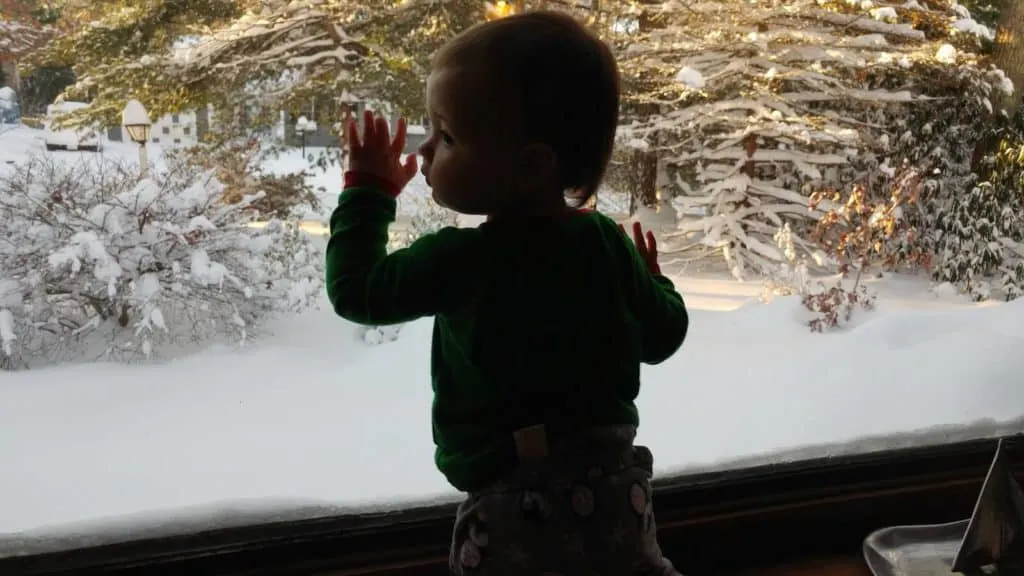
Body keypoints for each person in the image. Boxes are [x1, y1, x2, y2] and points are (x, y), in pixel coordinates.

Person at [326, 10, 689, 575]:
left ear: (529, 166)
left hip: (512, 509)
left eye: (446, 136)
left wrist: (368, 193)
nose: (425, 153)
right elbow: (664, 337)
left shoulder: (463, 260)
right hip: (619, 496)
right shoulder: (605, 245)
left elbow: (358, 292)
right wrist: (650, 277)